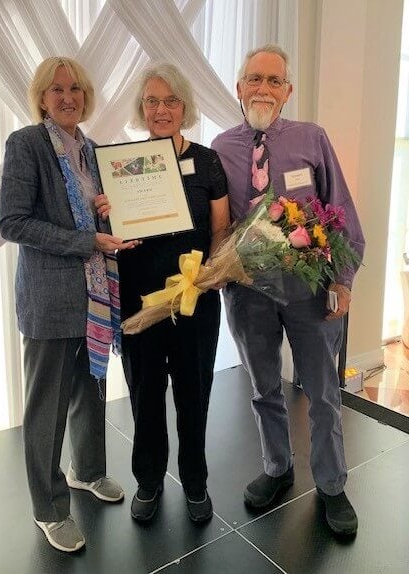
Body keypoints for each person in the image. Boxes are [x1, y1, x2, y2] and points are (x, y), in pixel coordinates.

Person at [212, 45, 365, 536]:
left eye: (275, 81)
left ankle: (332, 484)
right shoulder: (220, 147)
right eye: (254, 79)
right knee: (262, 388)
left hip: (310, 290)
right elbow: (209, 220)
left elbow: (340, 208)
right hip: (248, 292)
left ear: (288, 91)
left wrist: (343, 279)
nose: (263, 88)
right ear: (238, 89)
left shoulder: (311, 138)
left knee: (322, 391)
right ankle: (278, 468)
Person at [0, 57, 138, 553]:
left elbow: (104, 212)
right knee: (46, 410)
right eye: (56, 89)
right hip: (50, 300)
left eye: (75, 88)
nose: (67, 96)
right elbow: (12, 223)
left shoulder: (95, 150)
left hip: (94, 297)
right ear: (41, 97)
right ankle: (49, 508)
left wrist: (113, 212)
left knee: (90, 389)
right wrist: (87, 242)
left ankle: (89, 471)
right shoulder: (27, 145)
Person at [118, 63, 230, 523]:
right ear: (140, 108)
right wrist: (106, 211)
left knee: (193, 393)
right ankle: (147, 480)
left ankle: (196, 482)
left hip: (194, 300)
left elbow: (221, 231)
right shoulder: (121, 165)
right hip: (140, 302)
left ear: (185, 107)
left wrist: (217, 270)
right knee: (144, 395)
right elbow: (111, 230)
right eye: (151, 101)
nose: (160, 110)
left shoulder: (207, 162)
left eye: (170, 101)